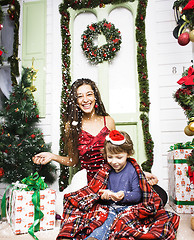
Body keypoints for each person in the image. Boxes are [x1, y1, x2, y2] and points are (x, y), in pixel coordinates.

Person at [32, 78, 165, 201]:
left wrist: (139, 173)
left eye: (89, 94)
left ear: (95, 96)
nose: (85, 99)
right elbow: (73, 161)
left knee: (158, 195)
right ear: (75, 101)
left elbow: (118, 153)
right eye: (80, 96)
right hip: (91, 181)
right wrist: (52, 156)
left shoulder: (109, 121)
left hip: (114, 175)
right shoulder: (71, 127)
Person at [56, 130, 180, 239]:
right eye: (110, 157)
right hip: (110, 207)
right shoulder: (106, 170)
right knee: (103, 219)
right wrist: (104, 195)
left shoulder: (132, 170)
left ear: (128, 154)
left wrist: (123, 195)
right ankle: (94, 237)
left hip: (129, 207)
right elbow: (98, 190)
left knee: (122, 222)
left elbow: (137, 195)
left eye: (119, 157)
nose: (114, 162)